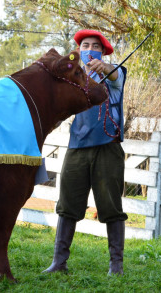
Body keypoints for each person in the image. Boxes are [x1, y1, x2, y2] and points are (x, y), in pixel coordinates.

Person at [44, 29, 128, 275]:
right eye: (85, 45)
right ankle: (59, 262)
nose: (89, 49)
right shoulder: (72, 78)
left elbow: (115, 77)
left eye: (95, 46)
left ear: (102, 52)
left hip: (108, 147)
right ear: (79, 51)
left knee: (111, 206)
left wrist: (106, 68)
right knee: (67, 205)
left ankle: (116, 266)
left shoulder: (116, 72)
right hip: (77, 147)